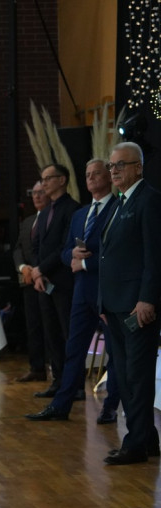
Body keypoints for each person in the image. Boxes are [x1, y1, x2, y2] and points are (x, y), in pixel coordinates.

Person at [26, 159, 122, 422]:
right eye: (88, 174)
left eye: (97, 173)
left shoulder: (118, 208)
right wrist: (74, 255)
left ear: (109, 177)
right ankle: (61, 405)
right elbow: (66, 249)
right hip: (81, 290)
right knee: (74, 348)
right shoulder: (81, 214)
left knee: (114, 351)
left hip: (108, 289)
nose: (91, 178)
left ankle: (110, 406)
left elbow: (118, 252)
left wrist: (85, 262)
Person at [98, 142, 161, 465]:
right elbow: (107, 255)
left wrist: (148, 298)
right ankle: (148, 438)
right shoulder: (118, 202)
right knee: (125, 374)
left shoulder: (149, 201)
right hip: (115, 305)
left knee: (137, 376)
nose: (114, 171)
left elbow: (155, 257)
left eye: (120, 165)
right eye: (111, 166)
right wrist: (102, 304)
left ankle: (135, 444)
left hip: (137, 306)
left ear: (138, 166)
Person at [30, 163, 80, 398]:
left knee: (69, 334)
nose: (43, 183)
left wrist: (41, 269)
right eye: (42, 179)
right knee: (51, 334)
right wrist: (37, 273)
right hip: (44, 282)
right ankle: (58, 381)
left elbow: (64, 246)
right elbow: (37, 246)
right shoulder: (45, 212)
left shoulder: (72, 209)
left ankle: (76, 384)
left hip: (63, 281)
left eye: (48, 178)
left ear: (62, 180)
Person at [12, 182, 48, 383]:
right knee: (33, 325)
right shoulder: (27, 222)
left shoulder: (52, 218)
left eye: (41, 192)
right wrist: (23, 268)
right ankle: (37, 367)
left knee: (51, 327)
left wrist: (37, 270)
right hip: (28, 281)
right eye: (34, 193)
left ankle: (56, 368)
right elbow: (18, 249)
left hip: (47, 279)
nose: (37, 196)